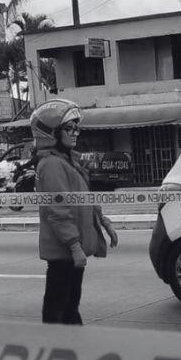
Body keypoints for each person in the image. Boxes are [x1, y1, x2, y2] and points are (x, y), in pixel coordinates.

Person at [32, 99, 118, 325]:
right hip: (63, 252)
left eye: (76, 128)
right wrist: (74, 246)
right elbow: (58, 211)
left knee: (70, 308)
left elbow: (84, 197)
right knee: (59, 312)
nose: (75, 133)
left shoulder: (68, 161)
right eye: (69, 128)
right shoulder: (52, 165)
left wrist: (104, 222)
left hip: (70, 251)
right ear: (52, 132)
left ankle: (71, 343)